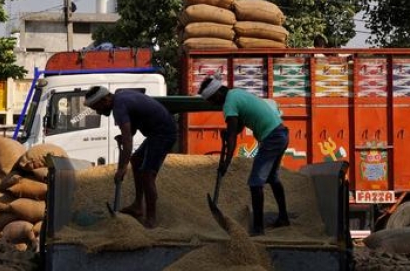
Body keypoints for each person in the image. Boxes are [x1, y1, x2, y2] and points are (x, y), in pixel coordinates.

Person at [198, 75, 290, 235]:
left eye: (212, 100)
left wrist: (226, 163)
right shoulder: (236, 94)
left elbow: (233, 139)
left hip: (272, 137)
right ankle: (283, 218)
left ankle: (258, 229)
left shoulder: (229, 103)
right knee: (272, 177)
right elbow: (238, 127)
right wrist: (229, 132)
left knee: (255, 183)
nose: (214, 104)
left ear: (218, 94)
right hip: (281, 133)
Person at [84, 86, 178, 229]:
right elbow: (131, 128)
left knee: (147, 174)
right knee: (136, 160)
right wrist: (124, 137)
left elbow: (128, 140)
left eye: (97, 108)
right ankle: (138, 206)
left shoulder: (119, 106)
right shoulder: (121, 97)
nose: (99, 112)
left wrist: (122, 168)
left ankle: (151, 219)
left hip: (163, 133)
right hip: (157, 132)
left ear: (105, 100)